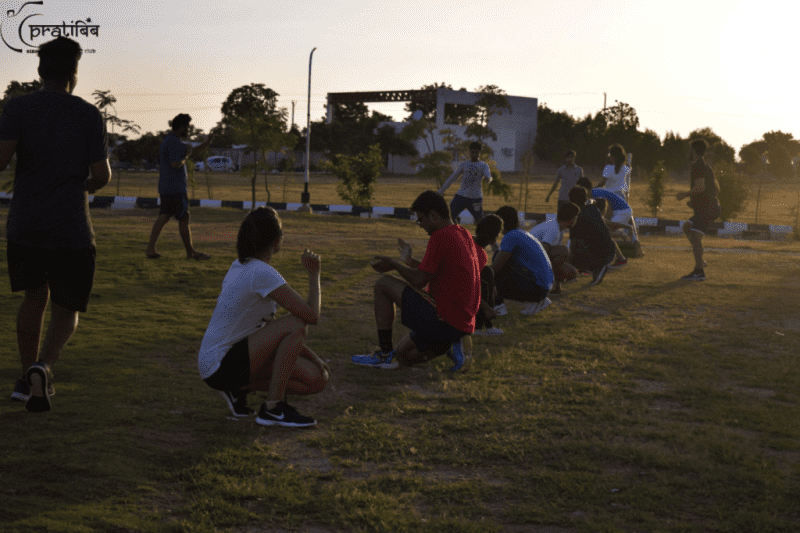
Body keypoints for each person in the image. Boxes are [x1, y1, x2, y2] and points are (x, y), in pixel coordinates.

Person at [0, 37, 111, 412]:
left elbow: (0, 161)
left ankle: (24, 377)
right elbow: (101, 175)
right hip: (71, 226)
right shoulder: (88, 114)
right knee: (67, 309)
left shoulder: (17, 109)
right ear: (74, 72)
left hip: (25, 223)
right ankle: (43, 367)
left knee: (34, 298)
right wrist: (84, 185)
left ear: (39, 70)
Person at [198, 207, 328, 427]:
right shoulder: (261, 272)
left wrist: (315, 360)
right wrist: (314, 273)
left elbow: (273, 330)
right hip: (221, 364)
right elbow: (310, 316)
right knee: (297, 321)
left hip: (222, 363)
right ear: (276, 242)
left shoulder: (241, 266)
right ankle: (272, 408)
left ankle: (239, 389)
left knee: (316, 379)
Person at [351, 191, 482, 372]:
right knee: (403, 358)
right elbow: (436, 272)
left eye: (420, 220)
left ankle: (384, 352)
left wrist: (394, 264)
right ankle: (451, 344)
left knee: (383, 284)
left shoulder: (440, 236)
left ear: (433, 216)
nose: (420, 225)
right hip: (460, 323)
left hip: (442, 318)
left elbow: (419, 281)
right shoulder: (463, 234)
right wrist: (408, 261)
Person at [145, 113, 214, 260]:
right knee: (184, 217)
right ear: (181, 127)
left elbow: (190, 152)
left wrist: (206, 144)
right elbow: (177, 163)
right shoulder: (175, 143)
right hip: (176, 188)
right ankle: (191, 252)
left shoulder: (170, 140)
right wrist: (186, 156)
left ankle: (151, 249)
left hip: (166, 186)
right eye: (187, 127)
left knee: (163, 216)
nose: (188, 130)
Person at [492, 206, 554, 316]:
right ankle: (539, 300)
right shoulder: (523, 233)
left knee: (494, 265)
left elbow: (496, 267)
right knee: (499, 259)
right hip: (544, 287)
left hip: (538, 288)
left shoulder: (510, 236)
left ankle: (498, 305)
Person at [676, 138, 720, 281]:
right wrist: (696, 201)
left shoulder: (698, 166)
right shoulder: (707, 166)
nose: (688, 152)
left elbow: (700, 187)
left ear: (694, 151)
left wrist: (684, 195)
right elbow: (716, 189)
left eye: (690, 150)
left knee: (695, 235)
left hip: (708, 208)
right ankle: (700, 261)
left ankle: (699, 271)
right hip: (709, 206)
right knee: (687, 227)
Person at [576, 176, 643, 262]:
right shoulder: (593, 193)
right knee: (606, 230)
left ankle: (618, 252)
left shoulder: (596, 194)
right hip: (620, 210)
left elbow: (609, 210)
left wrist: (603, 223)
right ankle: (633, 246)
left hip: (621, 210)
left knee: (606, 230)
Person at [567, 186, 617, 286]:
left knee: (573, 256)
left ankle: (598, 265)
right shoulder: (593, 209)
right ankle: (597, 267)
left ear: (571, 200)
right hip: (610, 248)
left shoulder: (577, 216)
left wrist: (569, 261)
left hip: (601, 252)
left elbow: (575, 242)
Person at [529, 202, 580, 295]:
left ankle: (555, 287)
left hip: (533, 256)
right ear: (571, 219)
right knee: (563, 251)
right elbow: (542, 252)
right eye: (576, 217)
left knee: (572, 273)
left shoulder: (558, 228)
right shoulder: (553, 228)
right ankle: (548, 284)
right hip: (528, 258)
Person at [438, 141, 492, 224]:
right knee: (450, 215)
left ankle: (482, 235)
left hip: (475, 197)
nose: (474, 154)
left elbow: (488, 175)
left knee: (480, 220)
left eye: (476, 152)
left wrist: (488, 179)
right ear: (469, 152)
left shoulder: (483, 165)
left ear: (479, 152)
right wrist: (440, 191)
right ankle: (454, 232)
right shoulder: (464, 164)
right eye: (472, 152)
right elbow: (452, 178)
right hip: (461, 195)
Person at [472, 214, 503, 335]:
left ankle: (485, 325)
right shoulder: (479, 254)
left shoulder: (468, 240)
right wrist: (487, 308)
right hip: (453, 298)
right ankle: (479, 327)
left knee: (487, 273)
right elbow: (468, 287)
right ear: (494, 238)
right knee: (487, 274)